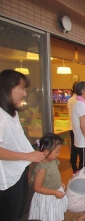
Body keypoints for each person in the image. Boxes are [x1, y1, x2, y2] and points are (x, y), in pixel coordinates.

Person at [0, 69, 45, 220]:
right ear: (7, 88)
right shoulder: (1, 116)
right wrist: (27, 155)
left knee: (18, 212)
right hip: (8, 180)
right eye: (22, 89)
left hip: (19, 172)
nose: (25, 94)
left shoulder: (11, 113)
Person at [28, 133, 68, 220]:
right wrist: (54, 192)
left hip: (55, 192)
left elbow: (53, 174)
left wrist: (59, 183)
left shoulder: (52, 160)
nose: (59, 153)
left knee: (55, 215)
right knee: (49, 216)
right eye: (57, 151)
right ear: (46, 152)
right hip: (47, 197)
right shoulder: (42, 168)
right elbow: (37, 188)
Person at [67, 81, 79, 174]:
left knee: (74, 148)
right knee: (77, 147)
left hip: (72, 127)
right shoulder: (77, 100)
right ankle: (76, 168)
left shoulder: (70, 100)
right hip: (77, 127)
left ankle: (74, 167)